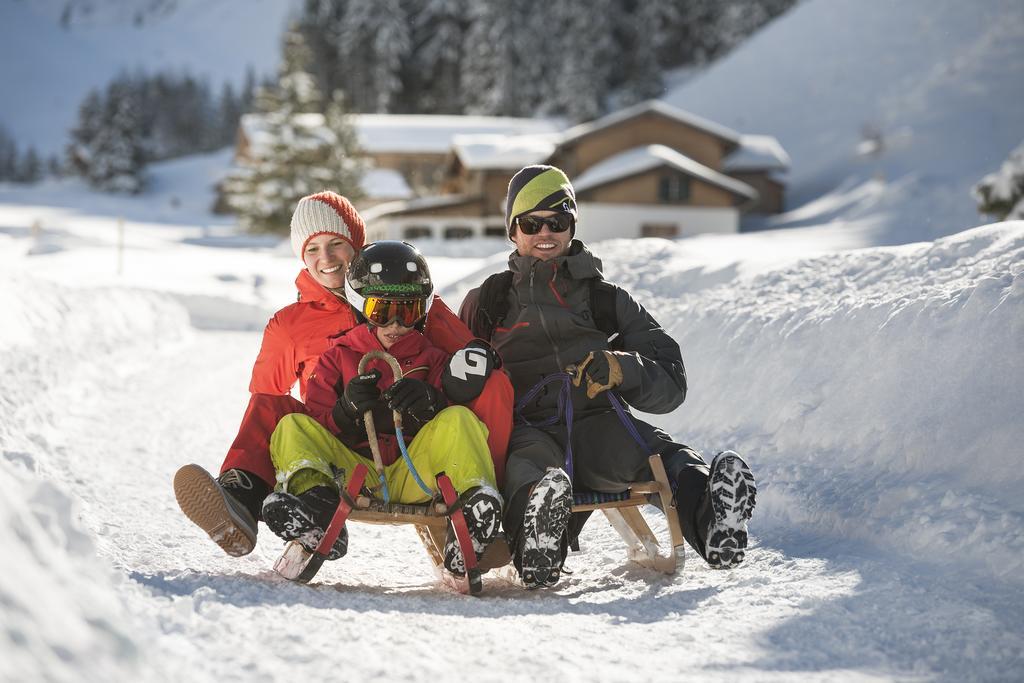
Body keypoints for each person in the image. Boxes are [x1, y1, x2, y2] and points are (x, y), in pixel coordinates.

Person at [459, 165, 757, 589]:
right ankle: (537, 545)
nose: (545, 233)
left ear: (572, 226)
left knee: (657, 454)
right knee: (532, 472)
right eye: (531, 223)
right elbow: (453, 371)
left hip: (597, 422)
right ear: (513, 231)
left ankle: (714, 520)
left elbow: (672, 380)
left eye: (557, 222)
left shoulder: (605, 300)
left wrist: (622, 367)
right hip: (525, 427)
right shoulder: (487, 301)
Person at [261, 241, 503, 577]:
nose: (393, 324)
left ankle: (475, 509)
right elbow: (317, 420)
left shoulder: (432, 359)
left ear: (421, 310)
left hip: (416, 473)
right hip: (352, 475)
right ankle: (316, 507)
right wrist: (345, 412)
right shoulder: (338, 357)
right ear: (361, 307)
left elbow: (451, 428)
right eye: (380, 310)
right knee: (292, 426)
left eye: (406, 311)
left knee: (460, 419)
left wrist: (432, 405)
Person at [174, 191, 365, 557]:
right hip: (332, 441)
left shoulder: (400, 294)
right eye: (313, 249)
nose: (325, 258)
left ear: (356, 245)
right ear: (302, 257)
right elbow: (267, 396)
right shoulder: (290, 325)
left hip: (400, 436)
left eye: (337, 244)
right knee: (268, 405)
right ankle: (240, 501)